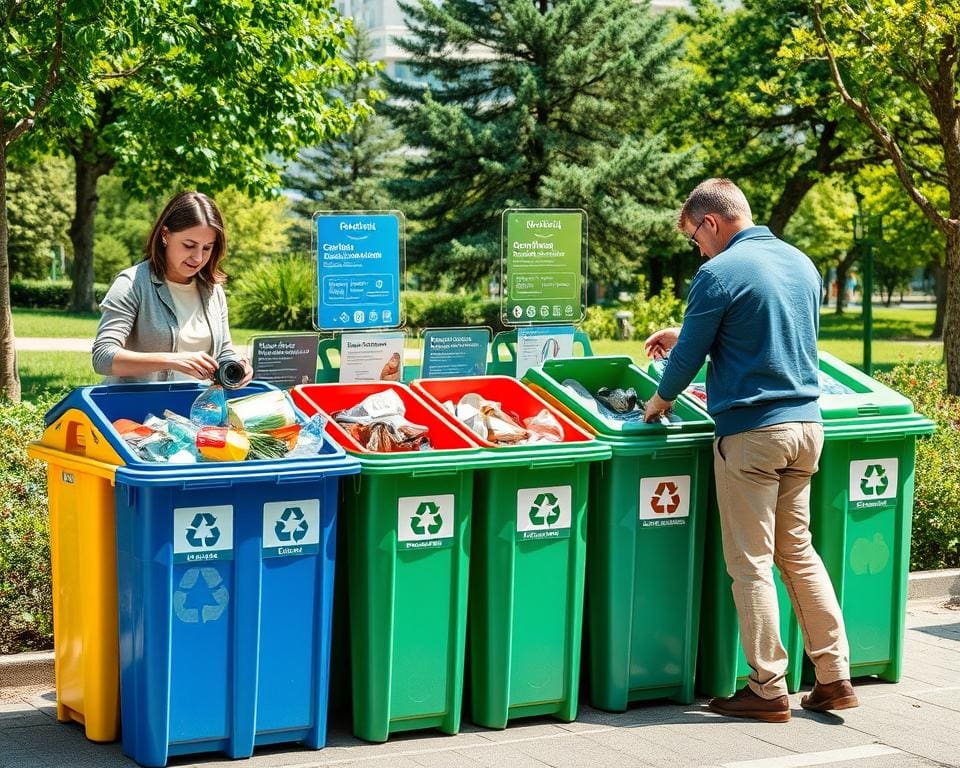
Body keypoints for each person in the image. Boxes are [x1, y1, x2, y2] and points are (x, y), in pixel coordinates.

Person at [643, 178, 857, 723]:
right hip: (807, 428)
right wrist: (687, 329)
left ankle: (767, 688)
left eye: (695, 237)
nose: (698, 248)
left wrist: (659, 401)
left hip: (753, 434)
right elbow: (764, 328)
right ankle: (833, 678)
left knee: (752, 563)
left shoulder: (718, 272)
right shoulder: (799, 262)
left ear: (711, 222)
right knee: (798, 554)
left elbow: (691, 354)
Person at [92, 191, 253, 385]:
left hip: (197, 410)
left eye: (207, 248)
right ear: (165, 235)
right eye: (188, 245)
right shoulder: (132, 283)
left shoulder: (213, 290)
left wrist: (237, 365)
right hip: (137, 410)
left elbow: (223, 352)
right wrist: (173, 360)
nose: (198, 258)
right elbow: (102, 357)